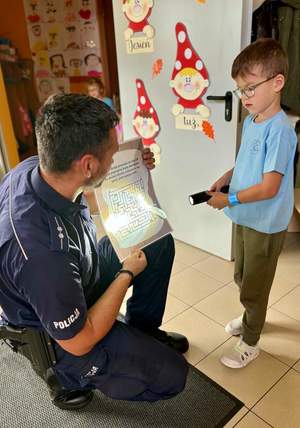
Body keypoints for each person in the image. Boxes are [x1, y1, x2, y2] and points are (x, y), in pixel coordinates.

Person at [0, 94, 188, 410]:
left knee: (156, 241)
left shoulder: (37, 167)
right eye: (113, 156)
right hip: (60, 335)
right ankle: (65, 378)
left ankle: (141, 331)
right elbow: (80, 339)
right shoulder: (43, 256)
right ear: (88, 164)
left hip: (74, 276)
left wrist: (132, 168)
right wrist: (126, 274)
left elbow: (79, 200)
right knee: (173, 376)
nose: (114, 160)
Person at [207, 38, 297, 369]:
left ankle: (251, 340)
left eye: (249, 89)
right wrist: (225, 179)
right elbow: (245, 163)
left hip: (265, 219)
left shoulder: (282, 131)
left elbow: (270, 186)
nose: (243, 97)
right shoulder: (251, 122)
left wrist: (227, 198)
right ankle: (252, 317)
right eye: (239, 90)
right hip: (244, 215)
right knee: (244, 276)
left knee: (255, 284)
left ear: (277, 83)